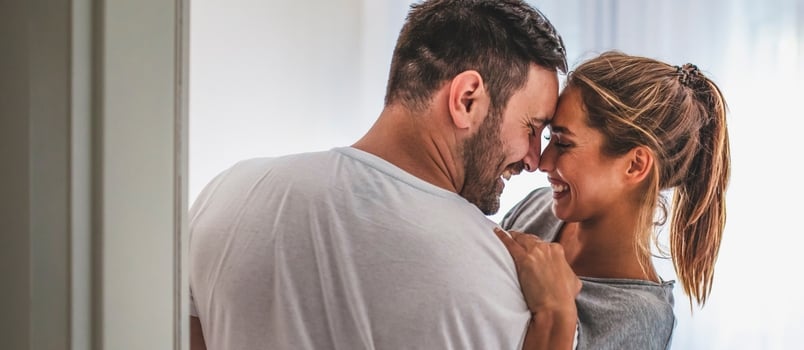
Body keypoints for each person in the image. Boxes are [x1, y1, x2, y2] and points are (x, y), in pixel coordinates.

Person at [188, 1, 581, 349]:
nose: (534, 159)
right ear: (467, 100)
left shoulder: (225, 197)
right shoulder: (496, 273)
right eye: (531, 128)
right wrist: (556, 319)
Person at [496, 50, 731, 350]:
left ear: (635, 165)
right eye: (548, 139)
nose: (542, 162)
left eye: (563, 143)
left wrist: (556, 312)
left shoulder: (641, 320)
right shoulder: (538, 208)